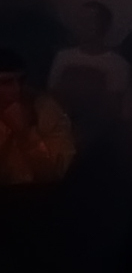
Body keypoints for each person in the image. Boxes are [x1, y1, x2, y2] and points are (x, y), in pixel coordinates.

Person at [48, 0, 132, 124]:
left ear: (104, 26)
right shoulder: (62, 57)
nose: (83, 25)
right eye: (80, 20)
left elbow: (112, 109)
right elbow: (52, 95)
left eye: (89, 21)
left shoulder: (117, 64)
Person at [0, 47, 77, 185]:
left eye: (21, 80)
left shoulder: (46, 109)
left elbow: (56, 175)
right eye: (6, 83)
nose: (17, 89)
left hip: (36, 194)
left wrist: (25, 134)